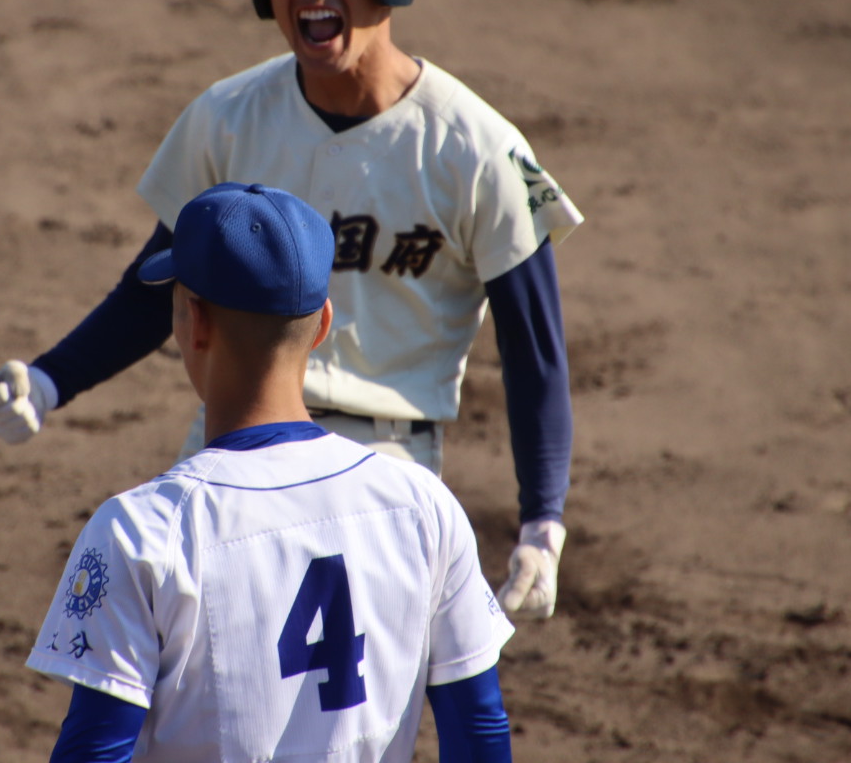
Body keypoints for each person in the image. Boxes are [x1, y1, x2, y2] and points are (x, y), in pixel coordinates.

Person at [0, 0, 584, 620]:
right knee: (188, 692)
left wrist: (544, 519)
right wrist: (51, 377)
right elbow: (155, 284)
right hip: (227, 442)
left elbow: (536, 349)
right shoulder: (228, 117)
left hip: (386, 466)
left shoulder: (476, 147)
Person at [26, 181, 515, 763]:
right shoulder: (422, 504)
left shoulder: (141, 531)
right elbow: (480, 731)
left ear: (193, 322)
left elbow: (94, 752)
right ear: (322, 323)